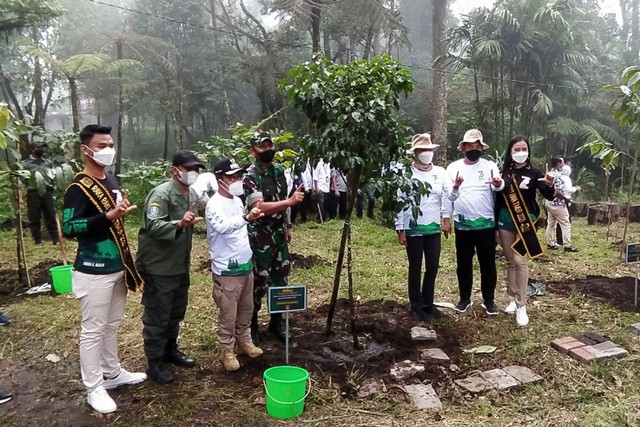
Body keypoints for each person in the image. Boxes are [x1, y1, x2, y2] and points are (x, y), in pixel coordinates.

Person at [62, 124, 146, 414]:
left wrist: (117, 213)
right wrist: (108, 216)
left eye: (110, 144)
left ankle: (112, 373)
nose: (108, 150)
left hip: (117, 267)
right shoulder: (78, 187)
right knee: (93, 330)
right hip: (91, 269)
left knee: (112, 325)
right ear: (86, 150)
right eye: (101, 146)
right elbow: (70, 227)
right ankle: (93, 387)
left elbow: (115, 220)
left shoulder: (110, 180)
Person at [136, 150, 203, 384]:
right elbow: (153, 225)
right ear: (175, 170)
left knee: (176, 310)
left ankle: (170, 349)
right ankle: (154, 361)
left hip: (179, 264)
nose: (193, 173)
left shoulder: (191, 193)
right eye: (189, 168)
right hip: (159, 266)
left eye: (196, 169)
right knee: (158, 314)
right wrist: (179, 223)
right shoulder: (161, 193)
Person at [243, 131, 305, 343]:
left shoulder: (279, 170)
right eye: (262, 146)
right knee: (259, 280)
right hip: (259, 235)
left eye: (270, 145)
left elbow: (283, 198)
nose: (268, 149)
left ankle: (276, 323)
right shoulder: (250, 176)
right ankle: (251, 325)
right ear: (253, 150)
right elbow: (258, 207)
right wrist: (289, 203)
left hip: (279, 232)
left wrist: (287, 226)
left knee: (281, 278)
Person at [205, 158, 265, 371]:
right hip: (226, 270)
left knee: (246, 310)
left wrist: (248, 217)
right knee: (228, 313)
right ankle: (226, 349)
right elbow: (223, 227)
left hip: (245, 265)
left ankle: (244, 342)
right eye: (232, 177)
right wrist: (248, 218)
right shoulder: (214, 205)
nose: (237, 180)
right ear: (221, 180)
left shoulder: (237, 200)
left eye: (239, 176)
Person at [396, 133, 459, 321]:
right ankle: (415, 305)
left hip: (432, 228)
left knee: (432, 265)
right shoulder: (407, 173)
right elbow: (399, 201)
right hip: (412, 226)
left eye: (429, 150)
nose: (426, 153)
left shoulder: (440, 173)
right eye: (422, 150)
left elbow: (450, 197)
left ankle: (428, 303)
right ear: (414, 153)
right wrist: (400, 229)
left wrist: (455, 189)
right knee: (415, 266)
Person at [495, 136, 555, 327]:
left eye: (523, 149)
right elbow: (497, 199)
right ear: (510, 152)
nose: (520, 152)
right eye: (516, 149)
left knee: (521, 261)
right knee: (510, 260)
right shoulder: (503, 172)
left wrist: (550, 183)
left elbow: (548, 195)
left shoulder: (535, 172)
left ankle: (522, 304)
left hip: (525, 222)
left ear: (528, 151)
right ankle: (512, 297)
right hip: (505, 220)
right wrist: (495, 225)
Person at [446, 129, 504, 315]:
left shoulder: (490, 166)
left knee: (488, 263)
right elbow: (449, 196)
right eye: (470, 146)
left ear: (482, 148)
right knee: (463, 264)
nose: (474, 148)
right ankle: (464, 299)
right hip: (462, 225)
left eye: (477, 145)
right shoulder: (453, 167)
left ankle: (489, 300)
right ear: (463, 148)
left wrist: (497, 184)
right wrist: (446, 217)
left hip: (486, 225)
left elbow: (500, 186)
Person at [19, 141, 59, 244]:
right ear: (32, 149)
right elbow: (22, 182)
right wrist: (20, 197)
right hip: (33, 192)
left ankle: (55, 238)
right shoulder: (26, 164)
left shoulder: (48, 162)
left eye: (42, 148)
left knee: (50, 214)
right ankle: (37, 240)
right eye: (39, 148)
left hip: (47, 191)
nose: (41, 150)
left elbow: (53, 177)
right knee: (34, 216)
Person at [545, 157, 579, 252]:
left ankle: (550, 243)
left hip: (549, 203)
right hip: (558, 204)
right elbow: (557, 192)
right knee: (566, 224)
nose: (563, 165)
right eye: (562, 163)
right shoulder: (557, 177)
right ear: (558, 163)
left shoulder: (549, 173)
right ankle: (567, 245)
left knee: (551, 224)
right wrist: (566, 199)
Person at [313, 158, 331, 222]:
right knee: (321, 203)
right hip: (320, 187)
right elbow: (315, 177)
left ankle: (324, 217)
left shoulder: (329, 165)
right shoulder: (319, 164)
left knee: (326, 203)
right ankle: (319, 218)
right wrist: (316, 188)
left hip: (327, 187)